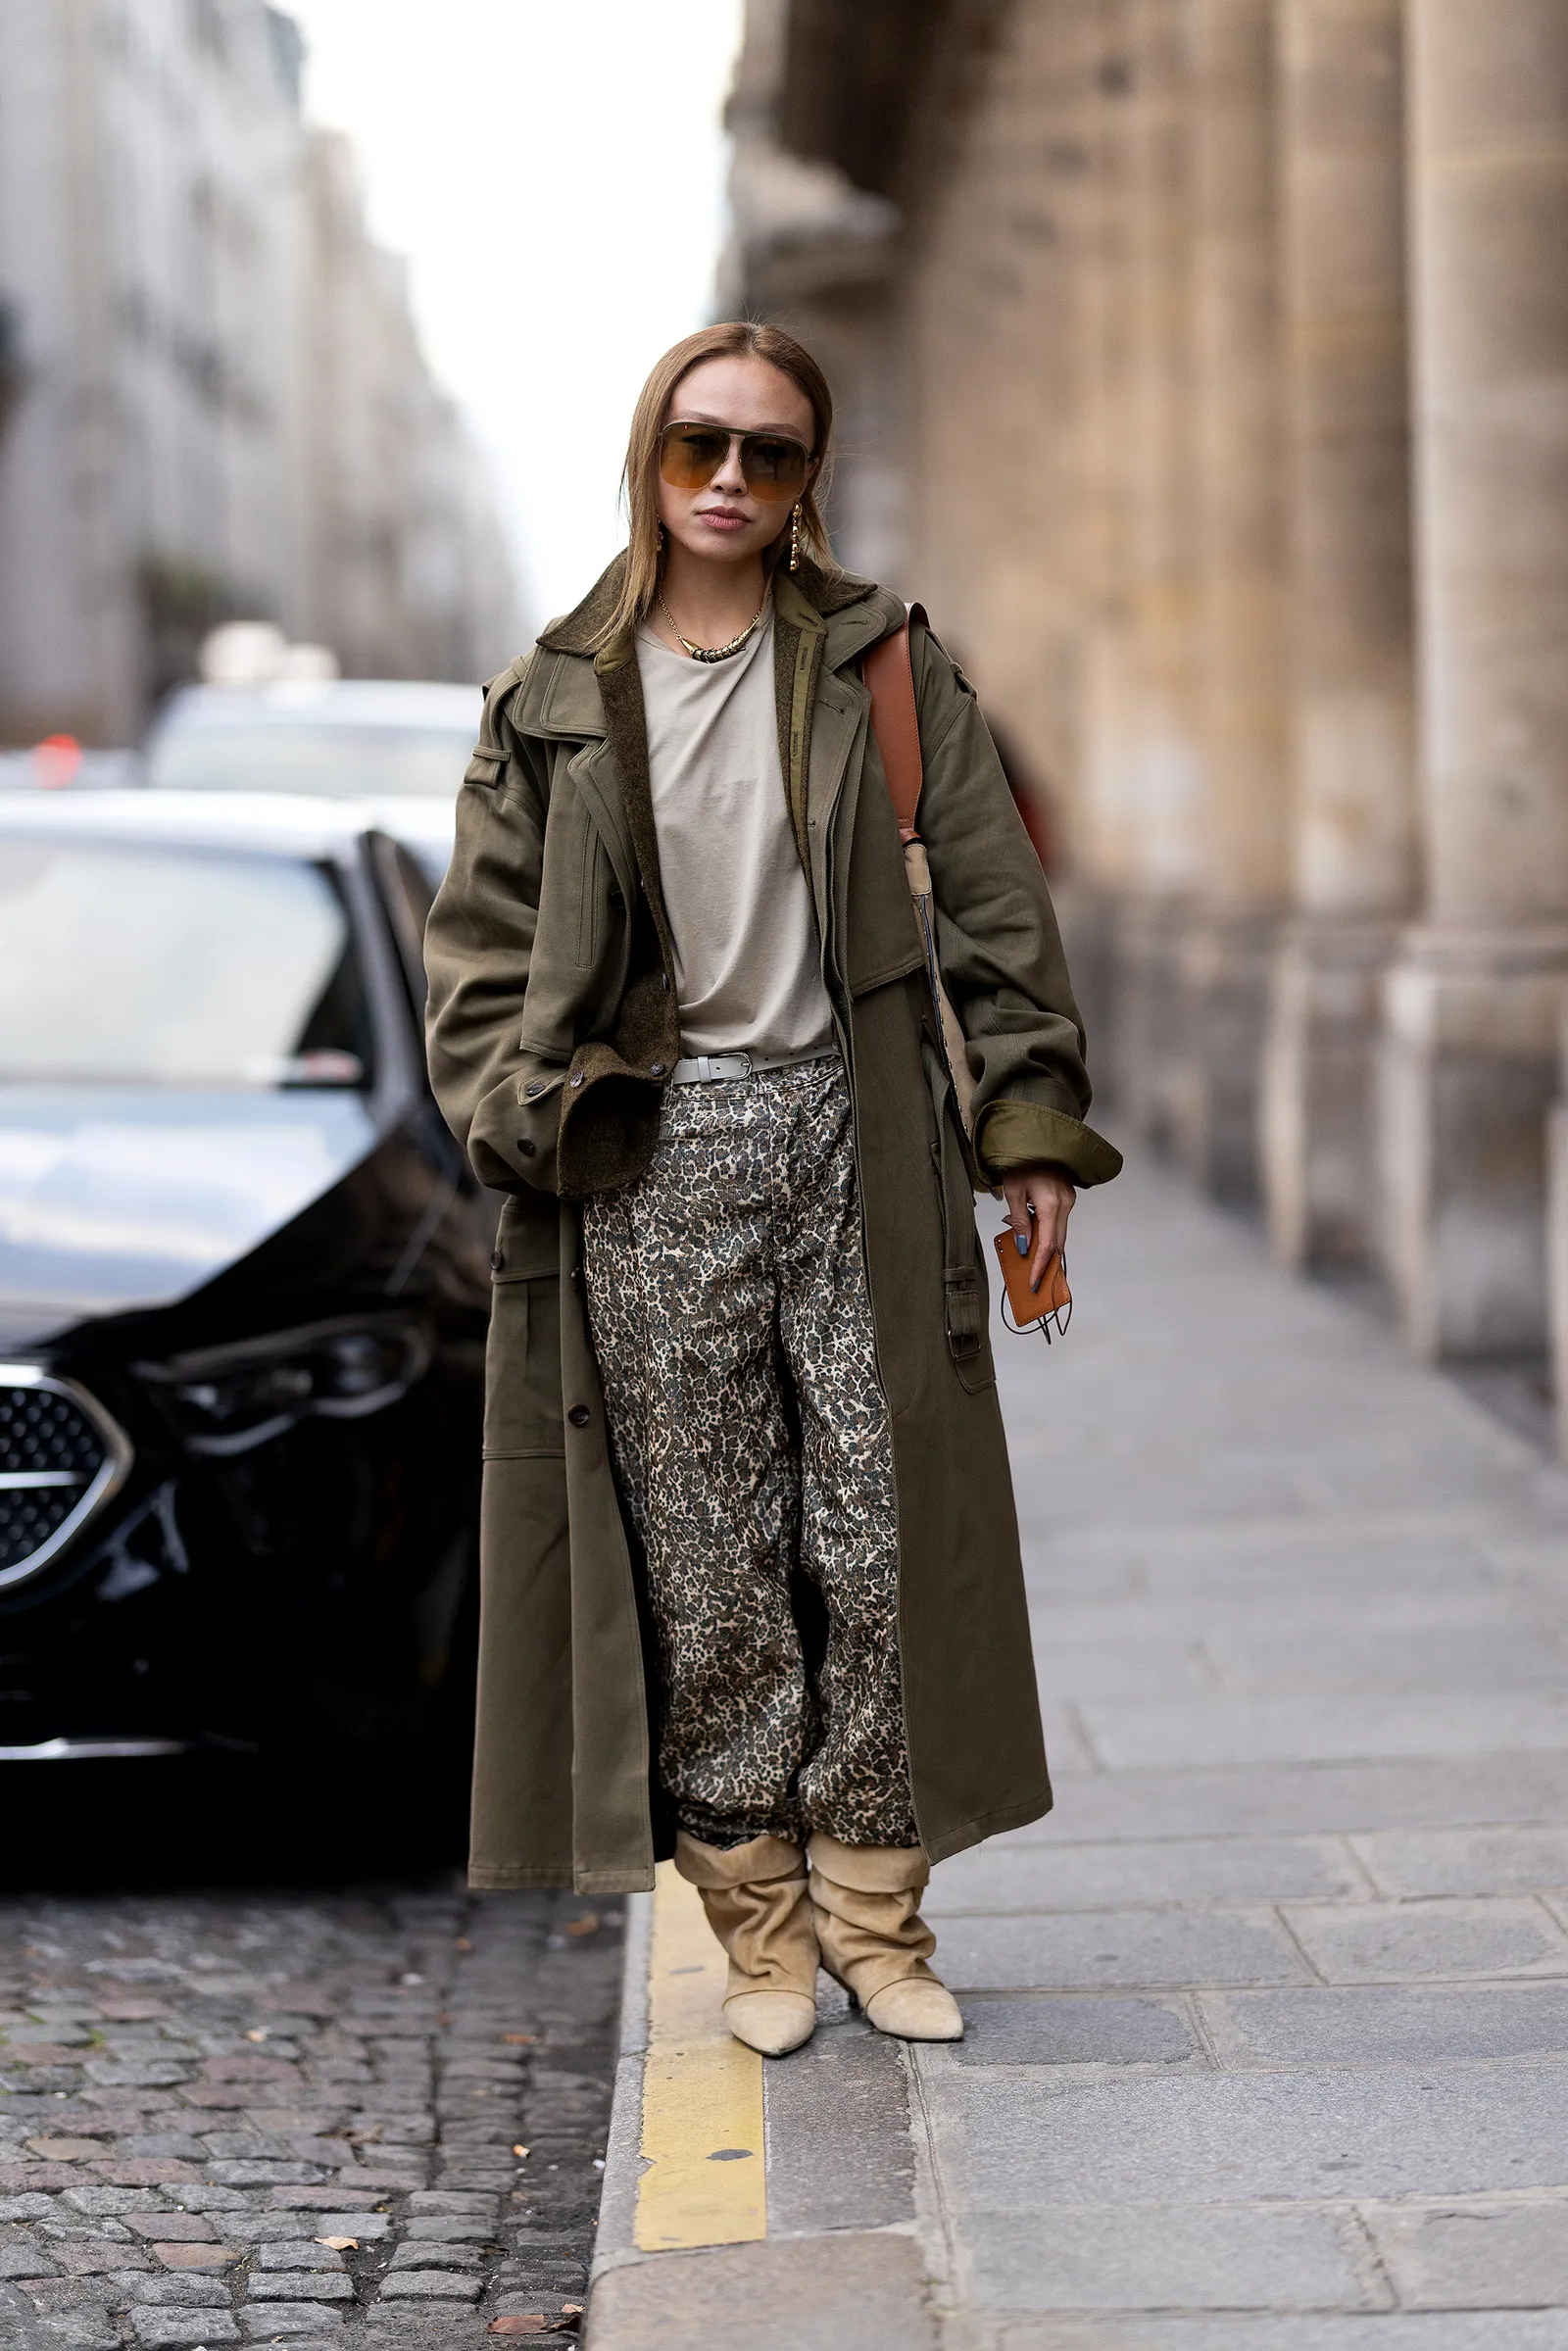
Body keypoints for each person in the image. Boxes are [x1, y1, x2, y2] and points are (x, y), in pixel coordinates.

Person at [423, 321, 1120, 2058]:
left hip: (855, 1131)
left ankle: (881, 1920)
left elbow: (996, 914)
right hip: (649, 1157)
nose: (730, 480)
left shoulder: (882, 664)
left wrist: (1026, 1132)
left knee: (880, 1531)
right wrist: (540, 1114)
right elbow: (481, 968)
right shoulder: (554, 698)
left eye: (772, 452)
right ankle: (760, 1931)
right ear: (650, 456)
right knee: (716, 1561)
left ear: (812, 476)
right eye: (700, 445)